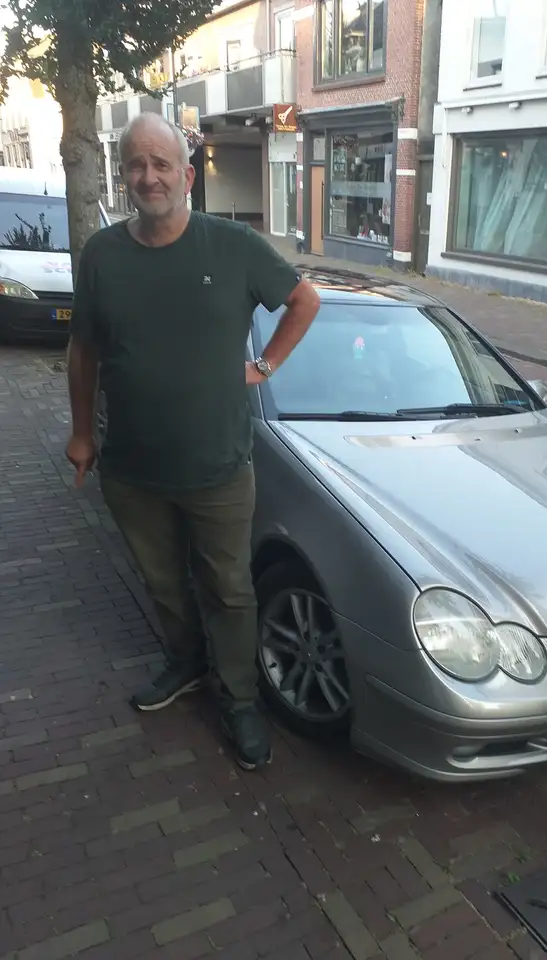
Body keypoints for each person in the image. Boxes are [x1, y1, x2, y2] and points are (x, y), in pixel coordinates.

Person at [65, 113, 320, 771]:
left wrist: (264, 366)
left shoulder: (232, 246)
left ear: (187, 173)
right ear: (123, 174)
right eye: (135, 164)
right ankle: (185, 663)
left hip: (218, 469)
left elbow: (305, 301)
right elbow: (83, 349)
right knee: (163, 583)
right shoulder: (102, 255)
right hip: (133, 470)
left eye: (161, 164)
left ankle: (238, 698)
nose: (148, 176)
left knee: (229, 591)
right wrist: (82, 433)